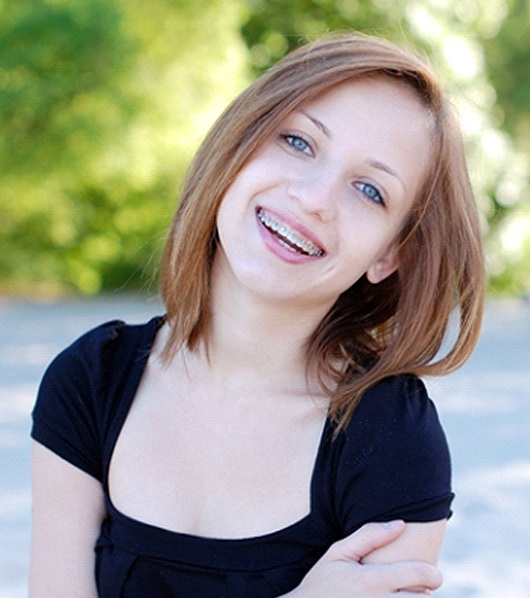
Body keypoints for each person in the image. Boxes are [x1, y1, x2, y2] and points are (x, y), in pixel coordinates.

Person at [29, 32, 485, 597]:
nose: (315, 197)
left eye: (368, 189)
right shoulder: (91, 380)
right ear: (239, 146)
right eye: (297, 141)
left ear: (390, 254)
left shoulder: (389, 440)